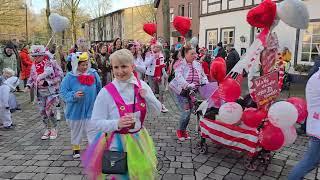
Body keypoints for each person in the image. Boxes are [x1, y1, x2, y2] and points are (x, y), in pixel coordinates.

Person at [84, 49, 161, 179]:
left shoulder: (142, 85)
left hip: (139, 140)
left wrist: (147, 97)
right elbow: (96, 122)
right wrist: (116, 123)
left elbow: (157, 111)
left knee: (139, 175)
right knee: (120, 175)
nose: (120, 71)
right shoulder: (106, 92)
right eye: (116, 67)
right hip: (116, 142)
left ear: (133, 66)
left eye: (124, 66)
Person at [60, 52, 101, 158]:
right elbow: (63, 92)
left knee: (92, 129)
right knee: (76, 129)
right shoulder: (69, 77)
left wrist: (99, 100)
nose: (84, 67)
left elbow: (98, 87)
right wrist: (74, 95)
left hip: (91, 109)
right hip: (75, 110)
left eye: (86, 64)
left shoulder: (93, 73)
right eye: (82, 65)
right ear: (75, 64)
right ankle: (76, 148)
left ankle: (93, 148)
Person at [169, 46, 208, 141]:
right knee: (186, 112)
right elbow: (179, 77)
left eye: (195, 53)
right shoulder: (180, 64)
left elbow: (202, 75)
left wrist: (206, 83)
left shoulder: (197, 64)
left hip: (191, 92)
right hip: (181, 91)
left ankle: (183, 130)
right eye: (192, 54)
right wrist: (187, 85)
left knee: (189, 112)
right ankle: (180, 130)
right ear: (185, 54)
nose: (195, 55)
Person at [25, 45, 64, 140]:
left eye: (38, 55)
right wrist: (28, 85)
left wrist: (48, 82)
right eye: (34, 56)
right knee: (42, 112)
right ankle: (47, 129)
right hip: (39, 93)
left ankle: (54, 128)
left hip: (51, 92)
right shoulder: (33, 65)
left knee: (49, 110)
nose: (36, 58)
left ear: (43, 55)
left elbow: (60, 76)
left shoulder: (51, 63)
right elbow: (31, 77)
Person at [288, 67, 320, 180]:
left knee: (312, 161)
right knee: (309, 161)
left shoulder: (316, 76)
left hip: (315, 126)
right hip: (317, 129)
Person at [145, 42, 169, 113]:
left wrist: (164, 74)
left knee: (161, 89)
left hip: (159, 74)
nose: (156, 48)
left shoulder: (161, 55)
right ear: (152, 47)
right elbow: (146, 64)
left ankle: (161, 104)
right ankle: (153, 105)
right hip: (151, 74)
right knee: (152, 90)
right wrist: (153, 57)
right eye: (155, 47)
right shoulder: (148, 54)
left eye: (158, 47)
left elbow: (162, 66)